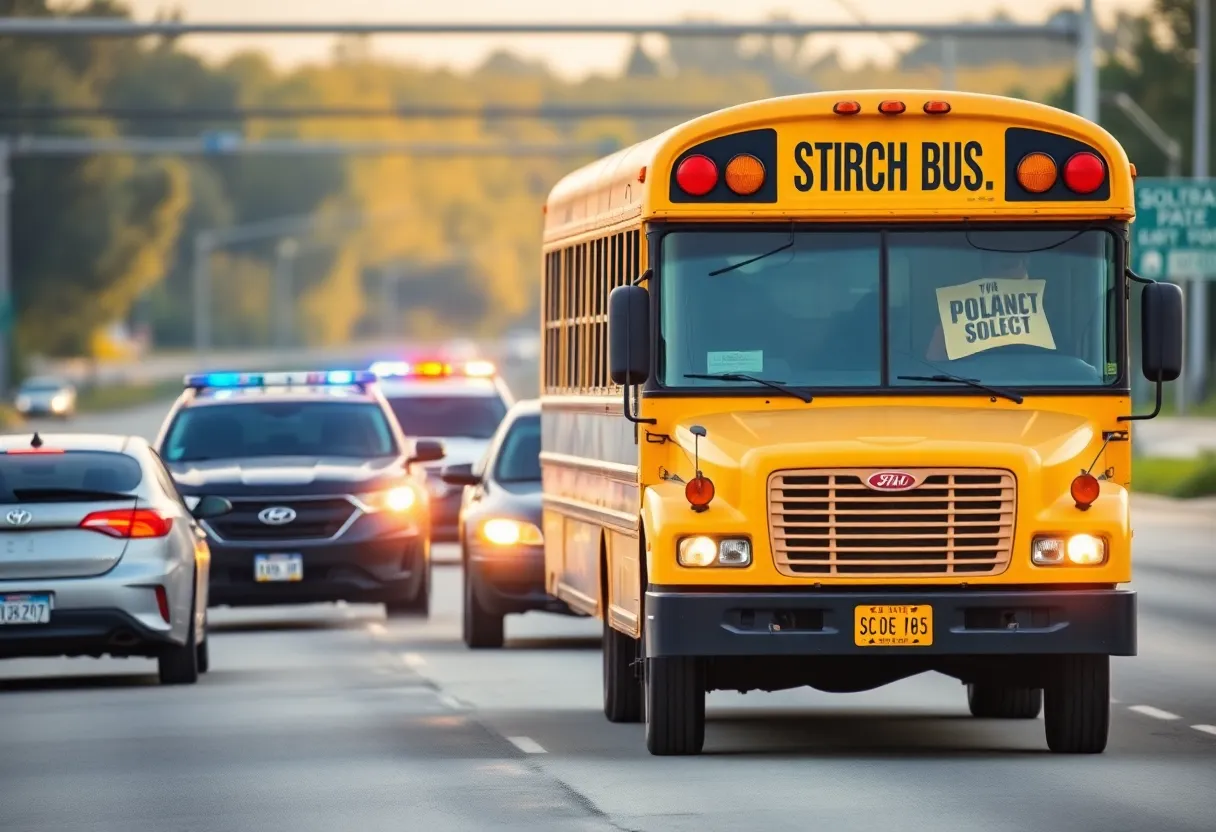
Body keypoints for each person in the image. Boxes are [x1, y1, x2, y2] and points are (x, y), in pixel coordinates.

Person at [924, 250, 1031, 362]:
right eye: (1008, 265)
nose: (1020, 273)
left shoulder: (1043, 311)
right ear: (987, 270)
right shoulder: (960, 313)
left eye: (1024, 265)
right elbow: (935, 364)